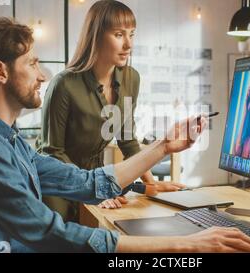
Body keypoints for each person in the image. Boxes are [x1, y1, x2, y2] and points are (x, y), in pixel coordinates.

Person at [0, 16, 250, 253]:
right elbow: (49, 234)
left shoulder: (6, 139)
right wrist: (183, 246)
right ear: (1, 71)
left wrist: (163, 146)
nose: (42, 74)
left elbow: (84, 183)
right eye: (32, 64)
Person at [36, 0, 184, 218]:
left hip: (97, 178)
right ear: (95, 36)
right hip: (58, 182)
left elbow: (127, 140)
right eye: (119, 34)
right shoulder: (64, 84)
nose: (128, 44)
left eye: (131, 34)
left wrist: (151, 185)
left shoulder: (130, 79)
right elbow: (52, 151)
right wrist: (96, 189)